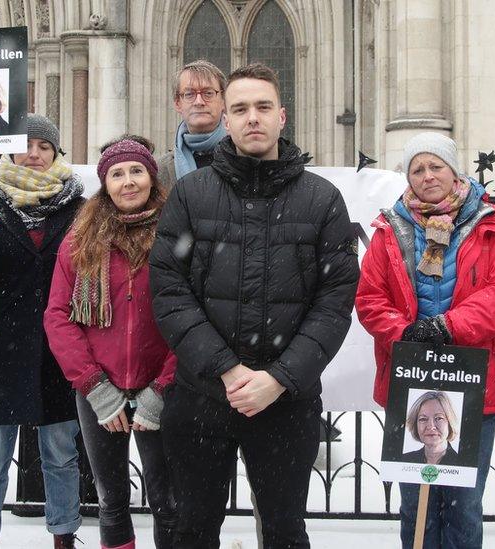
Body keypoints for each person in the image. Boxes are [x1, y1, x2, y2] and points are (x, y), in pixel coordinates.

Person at [150, 63, 359, 548]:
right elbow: (169, 290)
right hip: (203, 396)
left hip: (287, 403)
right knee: (193, 531)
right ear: (226, 120)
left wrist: (279, 378)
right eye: (240, 109)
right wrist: (226, 370)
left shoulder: (322, 200)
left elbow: (334, 304)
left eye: (263, 107)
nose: (253, 118)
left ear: (282, 116)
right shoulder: (190, 194)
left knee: (285, 532)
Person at [354, 132, 495, 548]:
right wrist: (406, 334)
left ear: (454, 171)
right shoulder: (389, 228)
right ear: (408, 178)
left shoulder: (492, 222)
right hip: (411, 380)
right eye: (417, 169)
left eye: (436, 166)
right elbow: (370, 298)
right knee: (417, 504)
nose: (427, 175)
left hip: (475, 380)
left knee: (464, 503)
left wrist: (449, 327)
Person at [0, 114, 85, 549]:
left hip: (58, 351)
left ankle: (64, 535)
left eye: (44, 146)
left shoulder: (79, 211)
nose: (34, 153)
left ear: (56, 154)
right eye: (26, 144)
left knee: (61, 456)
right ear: (9, 150)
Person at [45, 137, 177, 549]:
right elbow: (58, 317)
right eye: (117, 174)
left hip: (162, 387)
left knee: (168, 500)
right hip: (99, 389)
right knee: (112, 501)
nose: (128, 182)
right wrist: (94, 386)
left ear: (151, 178)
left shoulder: (176, 237)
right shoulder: (80, 241)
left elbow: (192, 316)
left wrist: (163, 387)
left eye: (136, 171)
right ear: (105, 183)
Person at [157, 59, 228, 190]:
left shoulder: (245, 157)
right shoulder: (160, 171)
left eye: (208, 93)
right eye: (189, 94)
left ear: (223, 101)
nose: (199, 102)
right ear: (178, 103)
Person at [401, 391, 461, 466]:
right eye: (423, 419)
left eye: (439, 418)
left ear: (450, 423)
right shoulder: (403, 461)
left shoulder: (463, 465)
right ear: (415, 424)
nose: (431, 426)